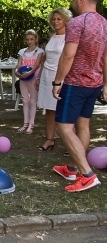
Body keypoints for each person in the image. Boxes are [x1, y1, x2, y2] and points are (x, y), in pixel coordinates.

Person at [51, 0, 107, 192]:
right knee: (83, 126)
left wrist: (58, 81)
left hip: (76, 83)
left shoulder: (77, 23)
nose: (73, 2)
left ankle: (87, 174)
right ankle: (72, 168)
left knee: (64, 127)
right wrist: (106, 83)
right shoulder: (105, 23)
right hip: (94, 84)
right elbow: (106, 57)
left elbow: (68, 55)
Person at [35, 8, 72, 151]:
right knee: (49, 110)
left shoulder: (70, 37)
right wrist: (39, 76)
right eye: (54, 19)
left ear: (65, 20)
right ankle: (49, 139)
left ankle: (70, 145)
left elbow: (70, 59)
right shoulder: (53, 37)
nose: (55, 21)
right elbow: (45, 59)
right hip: (47, 76)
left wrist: (64, 78)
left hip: (61, 76)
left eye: (59, 19)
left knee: (65, 111)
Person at [16, 29, 44, 134]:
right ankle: (25, 123)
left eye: (31, 39)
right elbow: (19, 64)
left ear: (36, 39)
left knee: (33, 101)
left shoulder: (39, 51)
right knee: (25, 100)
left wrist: (30, 73)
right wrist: (16, 71)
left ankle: (31, 124)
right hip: (23, 78)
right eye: (27, 39)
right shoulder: (22, 51)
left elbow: (37, 65)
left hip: (33, 78)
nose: (29, 41)